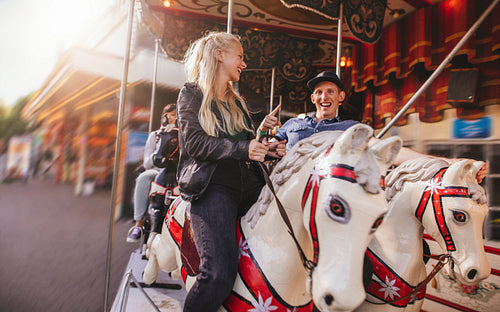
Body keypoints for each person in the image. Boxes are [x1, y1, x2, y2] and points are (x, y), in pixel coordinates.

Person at [176, 31, 286, 312]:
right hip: (213, 187)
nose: (243, 63)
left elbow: (247, 145)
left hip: (247, 185)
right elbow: (195, 143)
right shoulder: (191, 93)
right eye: (240, 56)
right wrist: (243, 149)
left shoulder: (237, 102)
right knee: (217, 275)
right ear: (220, 55)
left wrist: (267, 149)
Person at [258, 70, 488, 181]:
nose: (323, 96)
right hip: (286, 187)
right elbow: (265, 150)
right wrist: (266, 138)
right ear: (312, 98)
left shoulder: (350, 128)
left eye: (330, 91)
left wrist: (450, 163)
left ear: (341, 96)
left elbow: (390, 150)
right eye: (318, 92)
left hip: (324, 191)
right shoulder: (293, 124)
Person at [126, 103, 177, 243]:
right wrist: (161, 148)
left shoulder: (182, 135)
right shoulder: (155, 136)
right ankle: (138, 224)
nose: (175, 118)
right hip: (158, 171)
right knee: (143, 177)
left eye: (177, 115)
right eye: (172, 115)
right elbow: (147, 163)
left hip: (176, 173)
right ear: (165, 117)